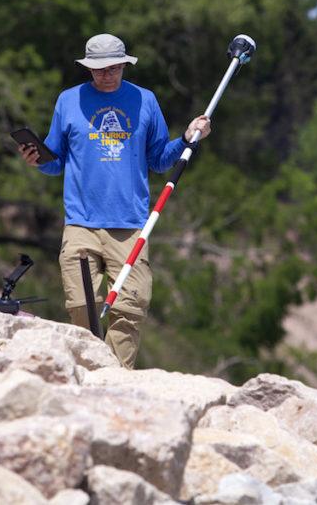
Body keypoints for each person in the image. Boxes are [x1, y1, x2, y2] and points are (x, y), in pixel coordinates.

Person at [19, 33, 210, 368]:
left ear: (124, 64)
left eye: (110, 68)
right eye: (97, 69)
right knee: (82, 305)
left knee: (130, 308)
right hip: (81, 222)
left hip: (131, 224)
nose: (104, 74)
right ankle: (87, 370)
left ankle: (115, 376)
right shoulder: (68, 101)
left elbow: (159, 159)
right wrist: (38, 159)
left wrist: (186, 138)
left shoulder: (145, 100)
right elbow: (55, 161)